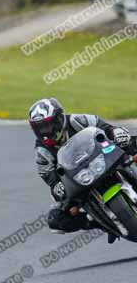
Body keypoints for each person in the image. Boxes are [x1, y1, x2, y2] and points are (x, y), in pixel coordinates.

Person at [29, 98, 137, 242]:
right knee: (56, 221)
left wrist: (116, 132)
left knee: (131, 143)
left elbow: (105, 127)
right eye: (39, 128)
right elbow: (47, 174)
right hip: (78, 178)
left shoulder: (79, 120)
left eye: (47, 126)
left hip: (102, 158)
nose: (44, 132)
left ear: (58, 119)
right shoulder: (42, 150)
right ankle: (101, 222)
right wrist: (56, 186)